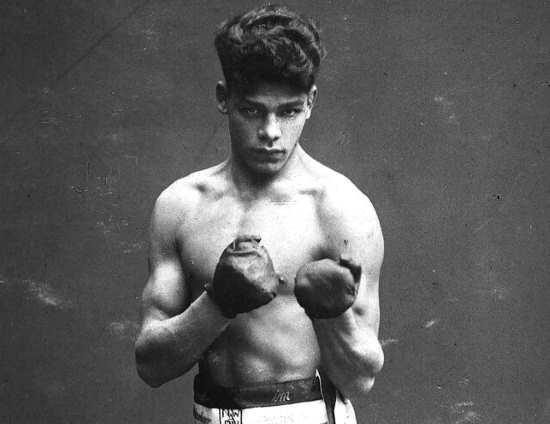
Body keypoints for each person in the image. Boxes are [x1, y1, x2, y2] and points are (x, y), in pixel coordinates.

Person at [135, 5, 384, 423]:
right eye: (252, 110)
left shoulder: (340, 210)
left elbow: (360, 379)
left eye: (288, 111)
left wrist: (329, 317)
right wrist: (218, 303)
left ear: (310, 102)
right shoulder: (180, 206)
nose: (271, 132)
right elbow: (150, 366)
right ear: (224, 99)